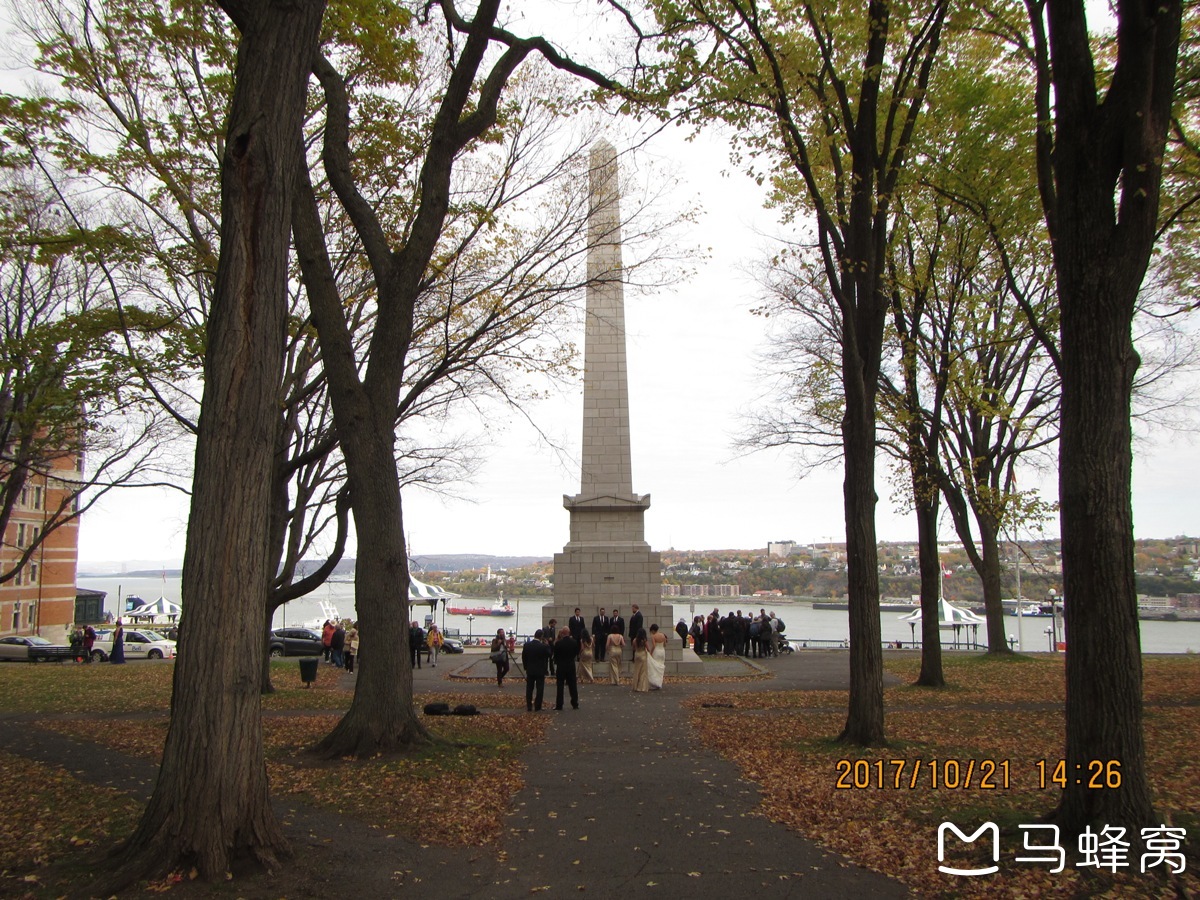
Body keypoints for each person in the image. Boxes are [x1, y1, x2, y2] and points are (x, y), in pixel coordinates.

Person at [522, 630, 552, 711]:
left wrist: (526, 667)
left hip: (530, 669)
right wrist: (547, 645)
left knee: (529, 688)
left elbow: (524, 657)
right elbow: (549, 654)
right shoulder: (543, 646)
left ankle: (529, 706)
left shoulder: (527, 645)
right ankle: (538, 706)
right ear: (541, 636)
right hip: (540, 670)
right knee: (540, 688)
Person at [552, 627, 580, 710]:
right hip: (571, 665)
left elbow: (555, 655)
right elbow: (576, 653)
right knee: (573, 685)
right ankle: (575, 703)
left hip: (561, 666)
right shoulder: (574, 642)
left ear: (562, 633)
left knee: (560, 686)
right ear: (569, 632)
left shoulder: (558, 643)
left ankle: (559, 704)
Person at [647, 623, 667, 691]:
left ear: (653, 630)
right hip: (662, 651)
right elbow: (665, 644)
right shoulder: (663, 635)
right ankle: (659, 682)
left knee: (655, 667)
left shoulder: (654, 636)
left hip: (657, 651)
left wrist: (651, 653)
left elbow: (654, 645)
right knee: (661, 666)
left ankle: (655, 682)